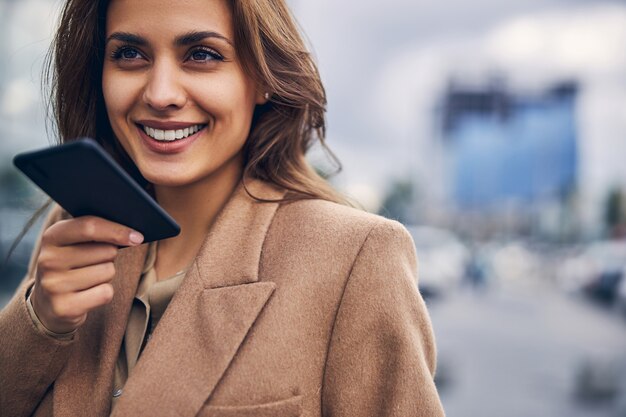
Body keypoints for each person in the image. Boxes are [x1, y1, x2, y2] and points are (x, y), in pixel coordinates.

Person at [0, 0, 445, 415]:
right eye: (130, 55)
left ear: (263, 79)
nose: (160, 93)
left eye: (202, 55)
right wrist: (41, 320)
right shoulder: (78, 230)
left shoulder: (355, 255)